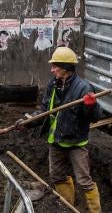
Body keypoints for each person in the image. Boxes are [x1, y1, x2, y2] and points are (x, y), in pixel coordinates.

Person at [16, 47, 102, 212]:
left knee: (84, 181)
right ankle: (68, 208)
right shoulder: (53, 85)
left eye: (55, 66)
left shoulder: (84, 88)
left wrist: (91, 106)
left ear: (65, 67)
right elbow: (44, 111)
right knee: (57, 177)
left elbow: (96, 116)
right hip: (55, 140)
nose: (52, 69)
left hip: (76, 142)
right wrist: (27, 121)